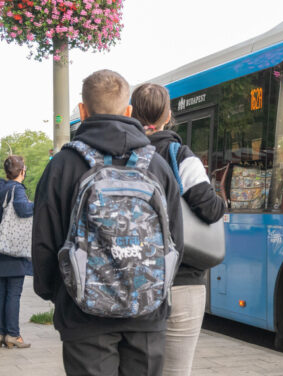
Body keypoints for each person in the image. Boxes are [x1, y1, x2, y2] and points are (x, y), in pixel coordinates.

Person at [32, 70, 183, 375]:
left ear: (83, 110)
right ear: (129, 111)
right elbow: (176, 240)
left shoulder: (62, 165)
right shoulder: (156, 165)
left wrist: (60, 293)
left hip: (83, 315)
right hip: (147, 313)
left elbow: (44, 242)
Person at [131, 83, 225, 376]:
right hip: (181, 280)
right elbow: (208, 207)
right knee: (175, 370)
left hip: (131, 280)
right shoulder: (179, 155)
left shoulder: (122, 153)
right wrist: (222, 201)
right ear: (168, 115)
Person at [0, 156, 33, 349]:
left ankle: (2, 332)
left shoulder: (2, 187)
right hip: (13, 249)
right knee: (13, 293)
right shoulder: (16, 189)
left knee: (2, 293)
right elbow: (22, 209)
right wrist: (39, 204)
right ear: (21, 171)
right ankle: (12, 334)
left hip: (1, 248)